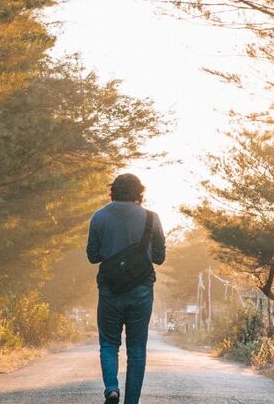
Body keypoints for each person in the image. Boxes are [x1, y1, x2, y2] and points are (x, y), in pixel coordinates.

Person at [86, 173, 166, 404]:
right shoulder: (152, 218)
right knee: (137, 349)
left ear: (113, 190)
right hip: (141, 290)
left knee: (109, 343)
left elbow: (92, 256)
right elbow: (159, 257)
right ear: (139, 192)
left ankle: (111, 388)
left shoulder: (99, 216)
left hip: (110, 290)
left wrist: (114, 254)